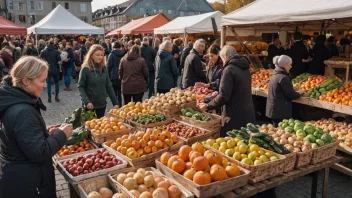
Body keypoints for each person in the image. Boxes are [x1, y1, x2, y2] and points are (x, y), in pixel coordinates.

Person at [0, 56, 72, 198]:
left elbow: (23, 137)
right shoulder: (22, 111)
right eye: (42, 81)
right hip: (29, 184)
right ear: (26, 81)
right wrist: (61, 135)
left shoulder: (16, 100)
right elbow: (39, 152)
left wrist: (43, 133)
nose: (45, 85)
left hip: (19, 178)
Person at [199, 46, 255, 136]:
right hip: (248, 113)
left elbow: (224, 96)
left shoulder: (229, 70)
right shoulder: (245, 68)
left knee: (232, 144)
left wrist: (208, 106)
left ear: (225, 56)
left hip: (233, 116)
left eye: (222, 58)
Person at [78, 44, 118, 118]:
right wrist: (87, 102)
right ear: (91, 55)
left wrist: (115, 103)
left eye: (102, 55)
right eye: (97, 55)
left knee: (100, 127)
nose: (100, 57)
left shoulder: (103, 68)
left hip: (101, 104)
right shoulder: (85, 69)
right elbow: (81, 87)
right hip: (89, 106)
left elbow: (109, 86)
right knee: (90, 127)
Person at [266, 55, 304, 127]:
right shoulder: (283, 77)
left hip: (274, 109)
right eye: (290, 64)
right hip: (280, 111)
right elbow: (291, 95)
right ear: (284, 65)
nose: (291, 66)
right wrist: (299, 92)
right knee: (280, 130)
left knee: (276, 130)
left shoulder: (275, 74)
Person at [107, 42, 125, 107]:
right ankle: (120, 104)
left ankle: (115, 105)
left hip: (113, 75)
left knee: (114, 93)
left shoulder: (111, 55)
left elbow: (109, 66)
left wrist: (108, 76)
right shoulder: (124, 54)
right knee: (120, 92)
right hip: (122, 75)